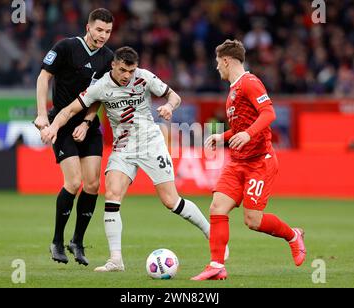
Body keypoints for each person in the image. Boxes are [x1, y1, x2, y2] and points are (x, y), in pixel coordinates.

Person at [41, 46, 228, 272]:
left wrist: (169, 106)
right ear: (113, 65)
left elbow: (174, 96)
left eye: (131, 71)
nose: (127, 76)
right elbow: (69, 110)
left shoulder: (144, 77)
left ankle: (212, 234)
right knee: (111, 194)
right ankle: (116, 260)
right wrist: (53, 128)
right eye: (122, 71)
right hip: (123, 147)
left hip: (151, 143)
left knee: (171, 201)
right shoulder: (100, 86)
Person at [191, 40, 306, 281]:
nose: (216, 68)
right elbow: (242, 127)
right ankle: (217, 265)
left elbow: (269, 113)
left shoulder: (250, 83)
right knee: (217, 207)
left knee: (252, 220)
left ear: (226, 60)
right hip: (237, 162)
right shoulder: (233, 89)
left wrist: (247, 134)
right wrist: (222, 137)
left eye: (217, 63)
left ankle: (293, 236)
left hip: (259, 162)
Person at [34, 8, 114, 266]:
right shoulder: (66, 47)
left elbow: (99, 96)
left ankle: (77, 241)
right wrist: (41, 116)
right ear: (88, 27)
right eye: (99, 30)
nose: (103, 36)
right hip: (62, 123)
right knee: (74, 181)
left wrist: (89, 121)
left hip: (88, 126)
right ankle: (57, 240)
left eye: (108, 32)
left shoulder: (108, 58)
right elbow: (43, 77)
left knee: (92, 185)